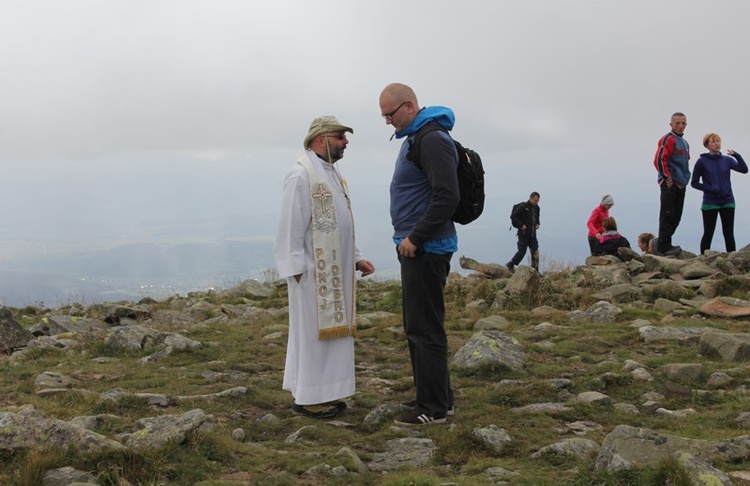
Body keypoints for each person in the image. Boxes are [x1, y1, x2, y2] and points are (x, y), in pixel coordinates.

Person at [273, 115, 375, 419]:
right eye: (340, 136)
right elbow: (290, 224)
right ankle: (307, 398)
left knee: (334, 335)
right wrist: (297, 268)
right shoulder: (301, 175)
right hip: (312, 273)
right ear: (321, 139)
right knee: (312, 336)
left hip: (335, 271)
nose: (346, 142)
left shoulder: (331, 172)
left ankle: (328, 390)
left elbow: (340, 222)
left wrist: (355, 256)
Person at [379, 82, 457, 425]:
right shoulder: (418, 136)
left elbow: (447, 196)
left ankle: (433, 408)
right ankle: (436, 398)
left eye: (390, 114)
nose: (387, 122)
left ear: (409, 106)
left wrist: (415, 237)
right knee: (420, 325)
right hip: (420, 246)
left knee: (424, 328)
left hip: (425, 248)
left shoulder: (431, 139)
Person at [690, 133, 748, 254]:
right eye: (713, 141)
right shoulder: (701, 161)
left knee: (728, 233)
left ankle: (732, 260)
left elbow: (744, 170)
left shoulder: (727, 160)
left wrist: (737, 155)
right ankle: (703, 260)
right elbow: (694, 183)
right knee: (708, 233)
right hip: (710, 202)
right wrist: (710, 188)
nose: (717, 144)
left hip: (727, 201)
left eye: (718, 141)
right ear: (707, 145)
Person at [653, 112, 690, 256]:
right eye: (677, 123)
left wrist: (685, 179)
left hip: (681, 183)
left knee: (676, 216)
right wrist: (667, 178)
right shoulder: (668, 139)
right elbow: (659, 159)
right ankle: (663, 247)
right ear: (671, 124)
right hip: (670, 183)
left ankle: (662, 242)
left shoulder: (685, 143)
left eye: (683, 123)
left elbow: (686, 162)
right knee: (667, 214)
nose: (680, 126)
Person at [506, 192, 541, 273]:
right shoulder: (523, 206)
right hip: (523, 234)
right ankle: (511, 264)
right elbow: (513, 216)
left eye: (538, 201)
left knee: (535, 252)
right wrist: (521, 225)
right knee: (522, 252)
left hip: (532, 234)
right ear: (531, 198)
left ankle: (535, 271)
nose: (536, 202)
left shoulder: (537, 208)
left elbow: (537, 218)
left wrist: (538, 224)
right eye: (535, 200)